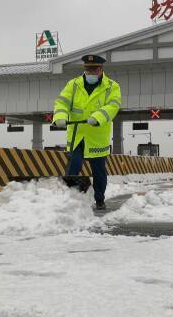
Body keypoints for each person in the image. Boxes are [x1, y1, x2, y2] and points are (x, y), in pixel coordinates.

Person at [52, 54, 121, 210]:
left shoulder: (111, 86)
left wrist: (97, 117)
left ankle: (99, 199)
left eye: (93, 69)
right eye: (87, 69)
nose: (90, 72)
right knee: (73, 166)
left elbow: (113, 106)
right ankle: (70, 199)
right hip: (77, 134)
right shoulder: (74, 84)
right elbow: (62, 101)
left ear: (100, 69)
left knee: (99, 171)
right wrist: (60, 116)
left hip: (97, 137)